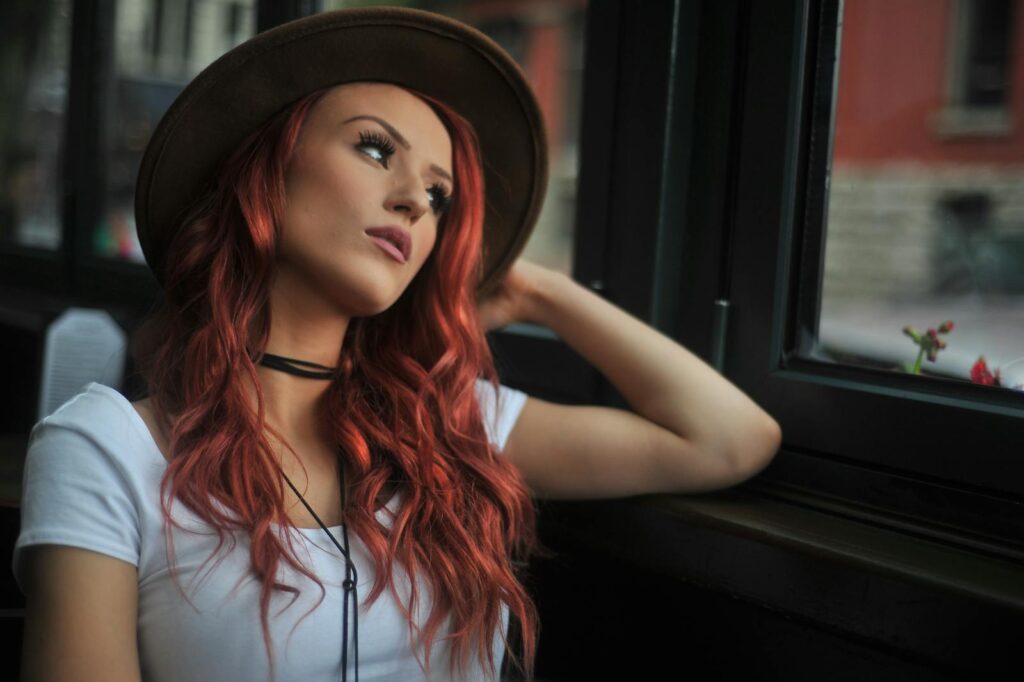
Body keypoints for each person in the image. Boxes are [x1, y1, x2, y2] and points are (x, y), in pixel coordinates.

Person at [13, 7, 782, 682]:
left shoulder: (451, 422)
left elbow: (728, 438)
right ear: (265, 173)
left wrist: (541, 291)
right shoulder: (105, 450)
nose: (417, 198)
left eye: (440, 194)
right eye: (376, 150)